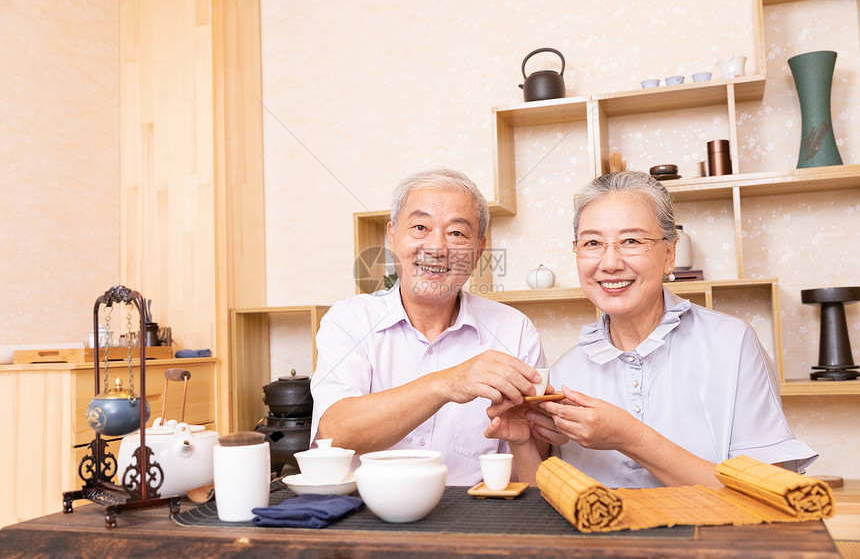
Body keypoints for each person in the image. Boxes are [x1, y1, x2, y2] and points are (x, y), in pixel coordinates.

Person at [485, 170, 817, 489]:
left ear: (669, 256)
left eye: (631, 240)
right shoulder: (565, 372)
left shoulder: (732, 344)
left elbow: (768, 492)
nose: (610, 262)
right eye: (591, 243)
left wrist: (630, 437)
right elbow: (546, 498)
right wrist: (525, 444)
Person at [311, 168, 548, 486]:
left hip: (475, 520)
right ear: (392, 236)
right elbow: (334, 434)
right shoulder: (349, 320)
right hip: (367, 516)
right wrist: (447, 383)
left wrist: (520, 442)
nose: (437, 248)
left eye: (457, 234)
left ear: (479, 250)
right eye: (420, 227)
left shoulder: (516, 331)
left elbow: (534, 482)